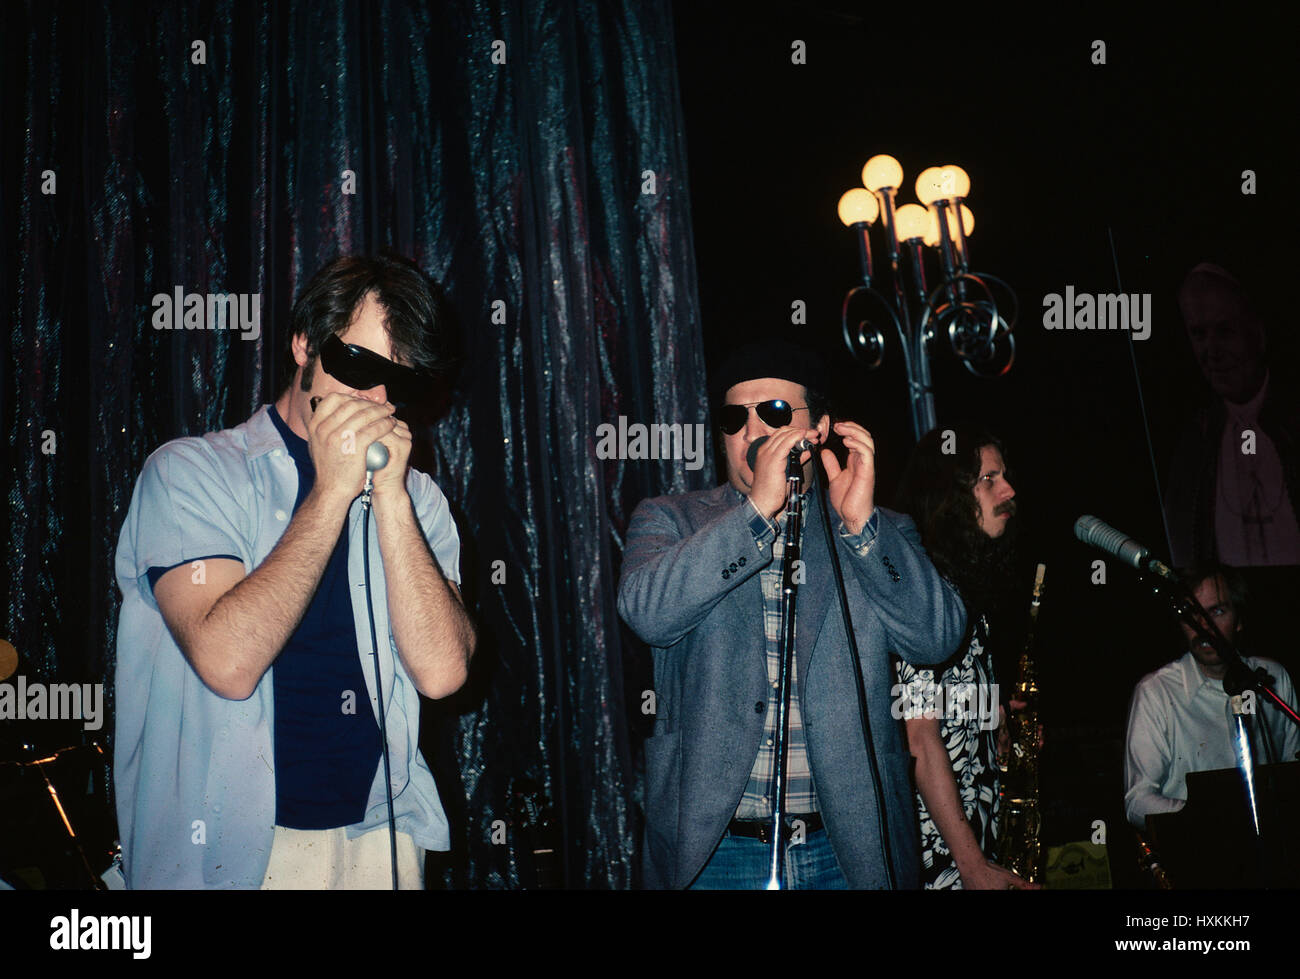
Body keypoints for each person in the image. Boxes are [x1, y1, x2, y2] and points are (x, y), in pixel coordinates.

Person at [113, 254, 476, 889]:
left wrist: (390, 497)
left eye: (403, 384)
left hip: (377, 839)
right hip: (230, 846)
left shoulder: (418, 501)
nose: (378, 398)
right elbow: (227, 661)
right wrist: (330, 494)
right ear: (304, 343)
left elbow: (443, 673)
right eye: (360, 366)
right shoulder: (190, 474)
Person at [617, 340, 966, 889]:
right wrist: (756, 514)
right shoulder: (671, 520)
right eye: (736, 418)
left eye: (775, 413)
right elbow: (645, 613)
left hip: (847, 848)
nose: (753, 431)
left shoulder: (876, 526)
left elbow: (937, 637)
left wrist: (863, 530)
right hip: (717, 851)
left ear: (820, 429)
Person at [893, 424, 1037, 889]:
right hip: (944, 864)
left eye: (1005, 475)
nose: (1009, 489)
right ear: (949, 495)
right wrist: (972, 865)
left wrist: (987, 715)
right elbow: (919, 737)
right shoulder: (925, 595)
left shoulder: (961, 594)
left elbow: (940, 707)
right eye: (989, 479)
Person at [1124, 563, 1300, 830]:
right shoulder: (1157, 692)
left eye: (1217, 611)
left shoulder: (1273, 678)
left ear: (1239, 620)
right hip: (1198, 854)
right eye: (1192, 614)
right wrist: (1211, 819)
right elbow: (1137, 801)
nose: (1204, 626)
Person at [1164, 263, 1300, 567]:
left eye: (1224, 331)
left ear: (1258, 333)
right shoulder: (1195, 443)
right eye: (1199, 335)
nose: (1212, 351)